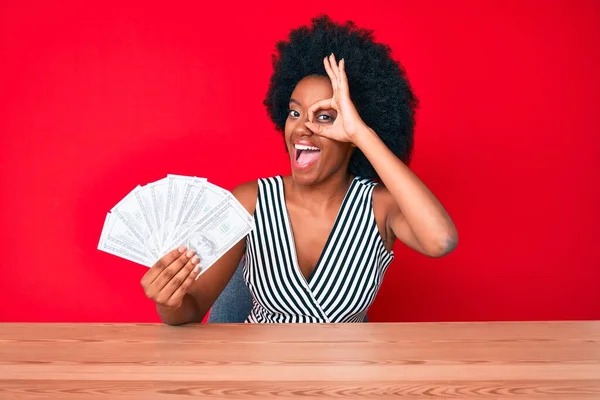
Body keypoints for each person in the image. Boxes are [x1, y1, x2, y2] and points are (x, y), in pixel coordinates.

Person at [140, 15, 458, 324]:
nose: (302, 128)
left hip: (348, 375)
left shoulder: (379, 207)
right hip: (261, 372)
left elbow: (441, 241)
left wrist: (360, 134)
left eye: (324, 117)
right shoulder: (249, 200)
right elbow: (190, 310)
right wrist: (168, 302)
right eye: (294, 112)